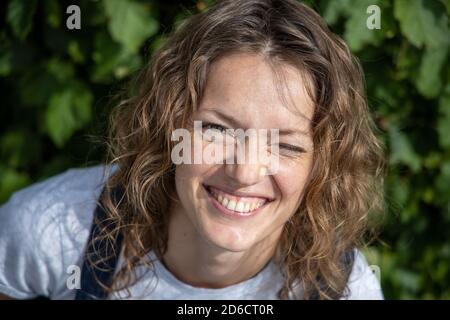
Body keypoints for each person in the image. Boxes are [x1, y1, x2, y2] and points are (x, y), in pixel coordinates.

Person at [0, 0, 385, 300]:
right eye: (216, 129)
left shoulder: (341, 288)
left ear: (321, 164)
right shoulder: (56, 230)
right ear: (169, 127)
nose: (245, 172)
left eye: (285, 145)